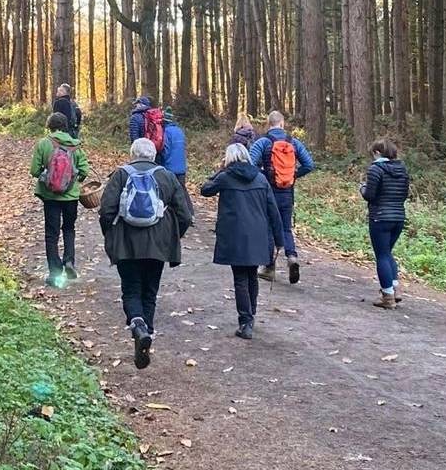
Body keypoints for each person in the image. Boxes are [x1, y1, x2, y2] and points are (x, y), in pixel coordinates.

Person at [98, 137, 194, 369]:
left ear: (133, 154)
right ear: (153, 155)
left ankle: (138, 326)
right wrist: (173, 237)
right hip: (158, 245)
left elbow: (106, 211)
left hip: (126, 244)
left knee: (131, 290)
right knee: (149, 292)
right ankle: (145, 337)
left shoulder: (120, 175)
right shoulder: (167, 177)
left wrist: (110, 236)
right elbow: (186, 215)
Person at [201, 143, 283, 340]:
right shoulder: (261, 178)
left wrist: (219, 170)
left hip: (234, 235)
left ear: (229, 158)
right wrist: (280, 240)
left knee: (240, 278)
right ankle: (250, 315)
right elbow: (273, 210)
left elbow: (204, 190)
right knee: (251, 275)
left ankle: (245, 321)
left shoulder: (225, 177)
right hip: (258, 234)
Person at [249, 110, 314, 284]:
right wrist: (293, 176)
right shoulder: (294, 142)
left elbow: (250, 164)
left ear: (268, 123)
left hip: (267, 192)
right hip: (287, 192)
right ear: (282, 124)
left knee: (269, 227)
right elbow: (309, 164)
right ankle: (292, 256)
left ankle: (268, 267)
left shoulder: (262, 142)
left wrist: (263, 177)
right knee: (285, 227)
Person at [29, 112, 90, 288]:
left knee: (51, 233)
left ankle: (55, 272)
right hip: (71, 197)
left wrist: (48, 175)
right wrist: (73, 181)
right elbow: (84, 170)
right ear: (65, 126)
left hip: (50, 196)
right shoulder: (76, 145)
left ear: (49, 126)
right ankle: (69, 261)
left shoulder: (43, 144)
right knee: (69, 228)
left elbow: (34, 170)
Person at [360, 138, 409, 309]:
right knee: (387, 253)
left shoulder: (376, 169)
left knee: (381, 255)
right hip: (398, 217)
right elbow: (404, 194)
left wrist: (362, 189)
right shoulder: (402, 169)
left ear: (377, 152)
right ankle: (395, 289)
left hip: (380, 217)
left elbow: (370, 195)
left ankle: (387, 296)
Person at [160, 106, 188, 188]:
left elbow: (165, 151)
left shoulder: (166, 132)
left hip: (169, 168)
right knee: (182, 192)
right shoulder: (179, 131)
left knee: (170, 193)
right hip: (181, 168)